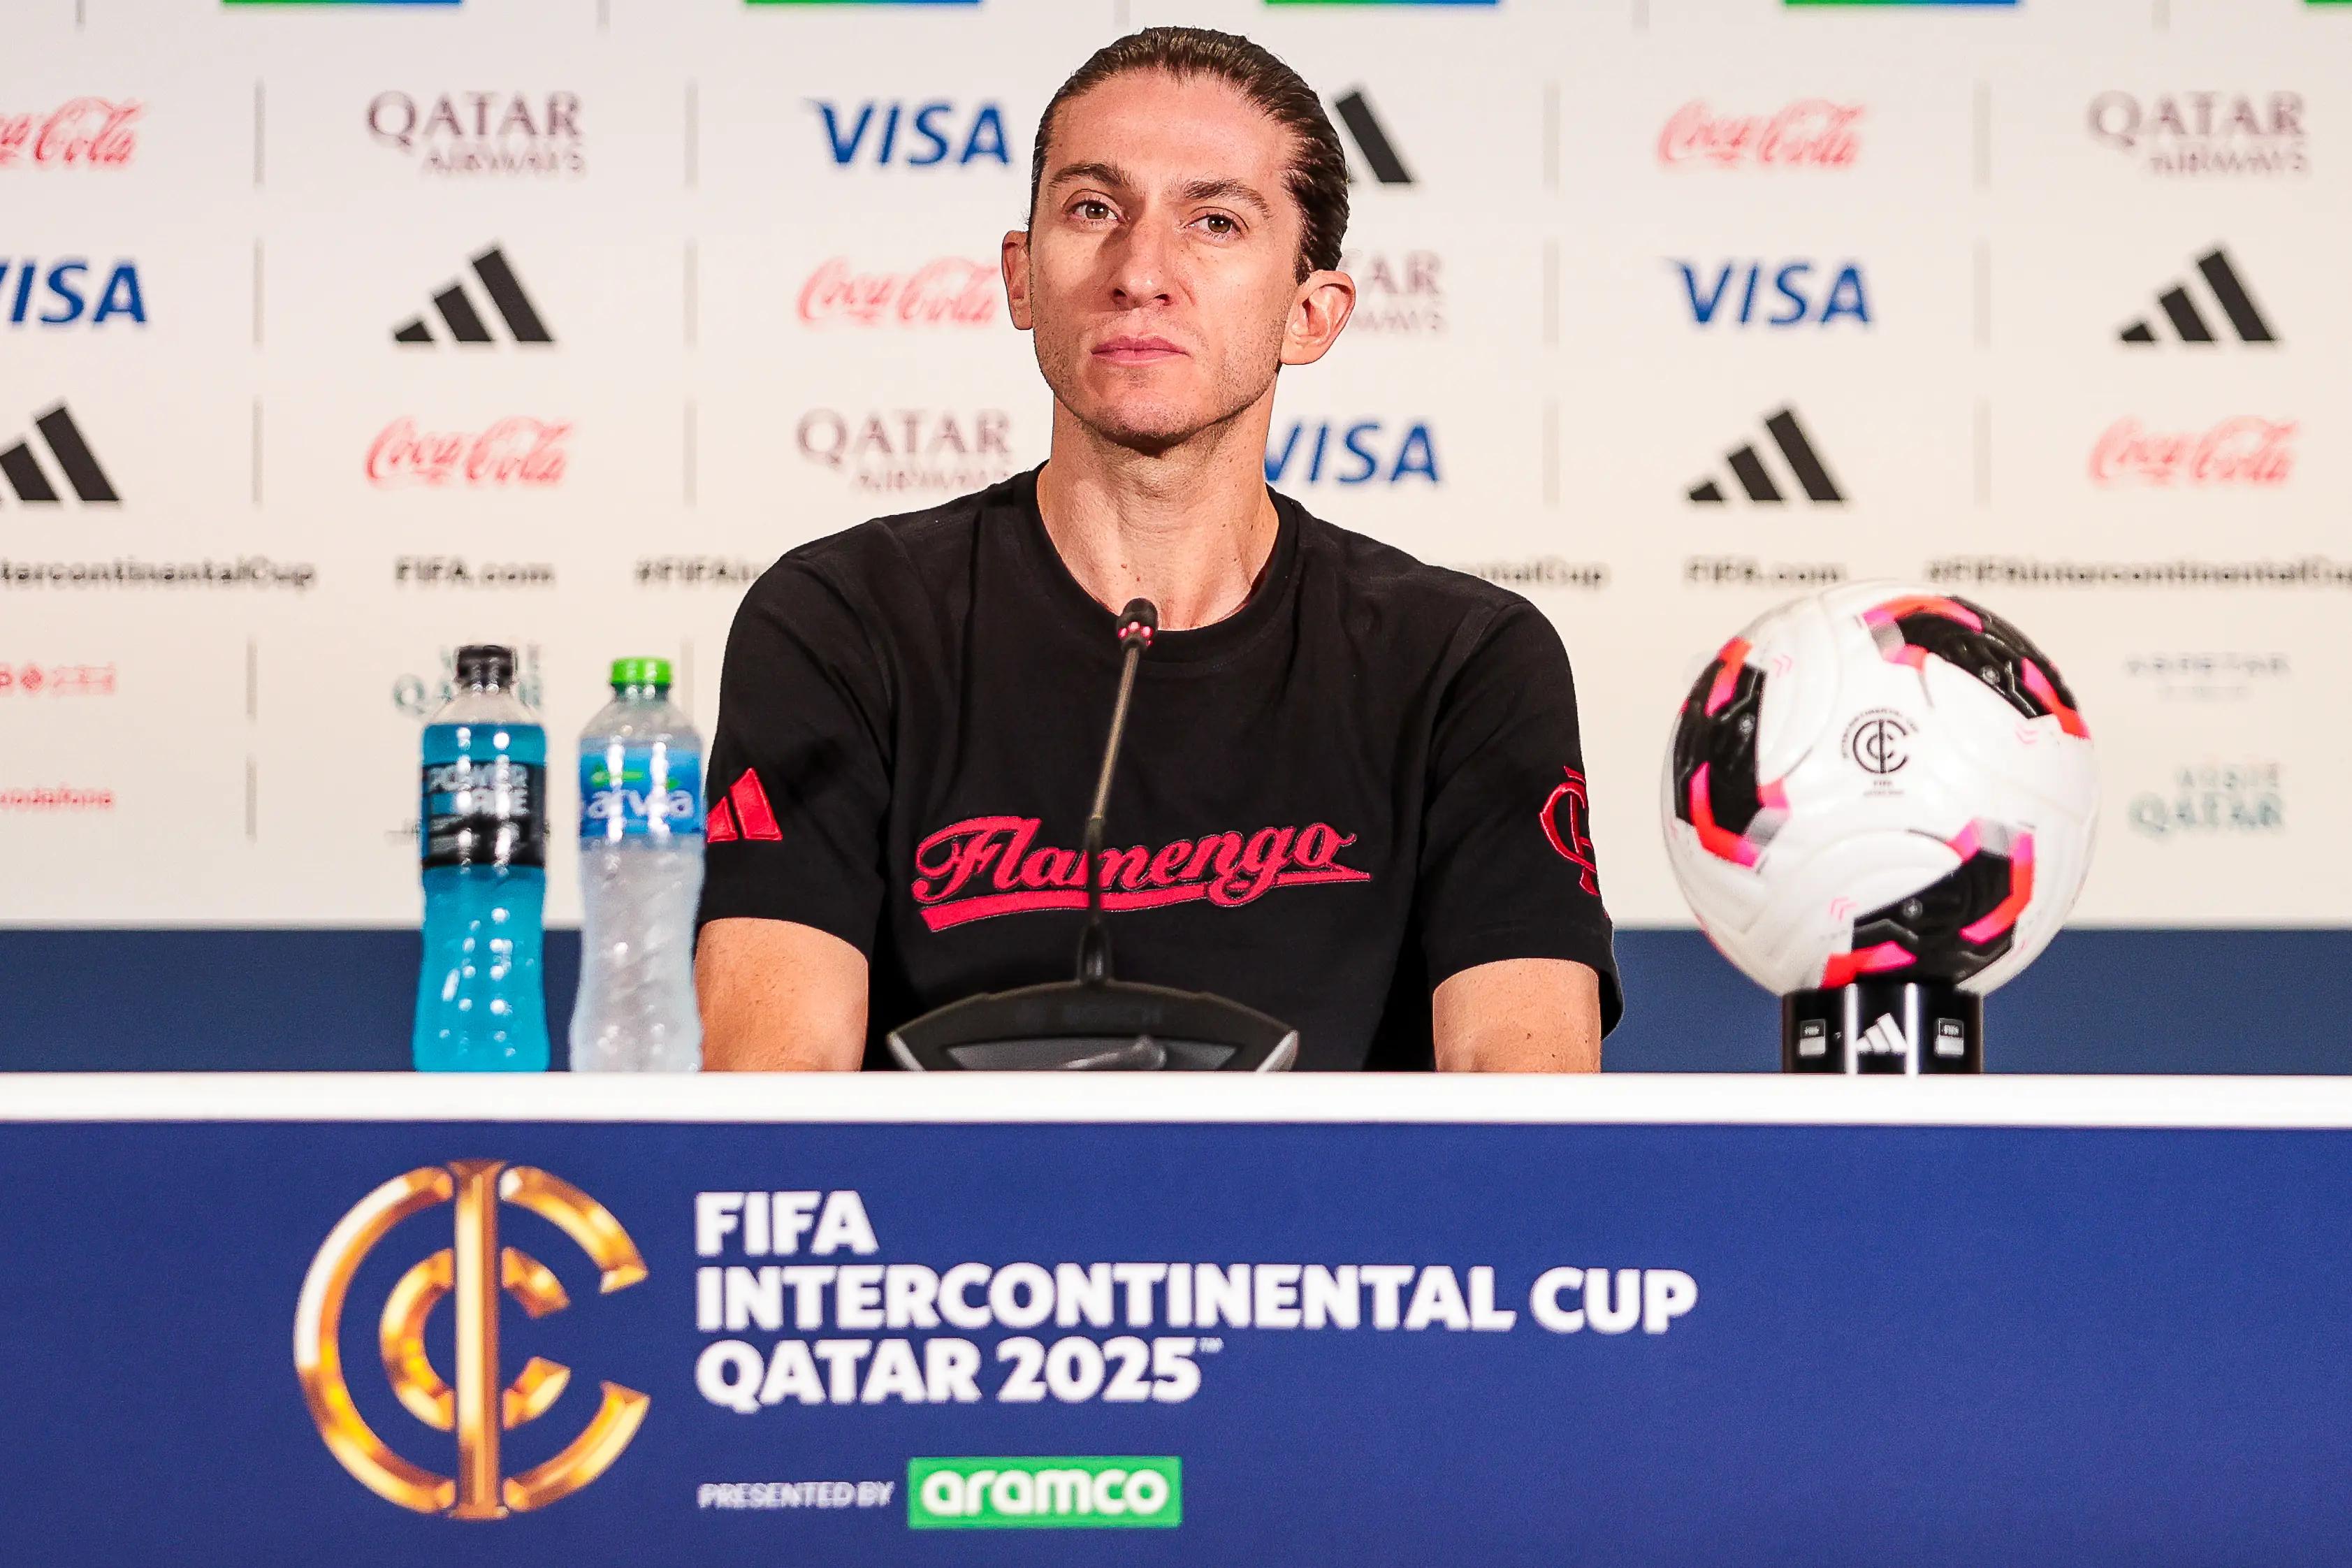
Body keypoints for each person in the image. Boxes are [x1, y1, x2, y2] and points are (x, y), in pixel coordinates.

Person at [695, 26, 1619, 1071]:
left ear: (1311, 315)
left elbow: (1526, 1099)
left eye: (1215, 222)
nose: (1140, 271)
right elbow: (775, 1092)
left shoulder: (1461, 662)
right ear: (1021, 278)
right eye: (1094, 210)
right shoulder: (841, 622)